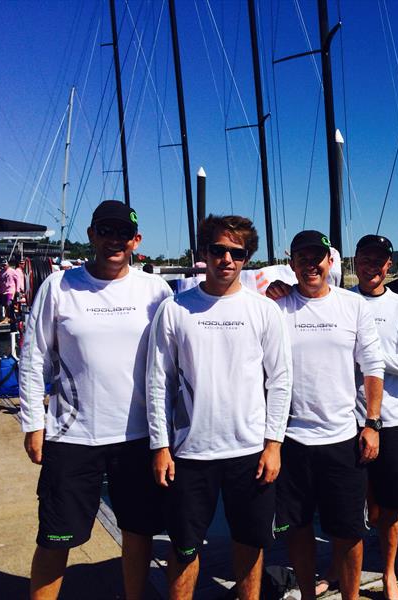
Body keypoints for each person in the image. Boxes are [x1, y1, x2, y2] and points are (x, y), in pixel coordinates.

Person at [19, 200, 172, 600]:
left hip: (138, 437)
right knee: (55, 537)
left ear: (136, 241)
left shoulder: (155, 290)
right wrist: (34, 423)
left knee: (137, 531)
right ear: (91, 235)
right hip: (72, 436)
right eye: (106, 231)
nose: (114, 240)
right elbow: (34, 357)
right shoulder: (59, 286)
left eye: (123, 233)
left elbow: (180, 352)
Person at [269, 234, 398, 599]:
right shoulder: (275, 308)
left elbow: (373, 365)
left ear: (331, 262)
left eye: (318, 257)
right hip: (291, 439)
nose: (311, 264)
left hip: (346, 435)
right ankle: (310, 593)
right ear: (291, 263)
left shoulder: (354, 307)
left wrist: (372, 424)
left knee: (351, 527)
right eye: (302, 257)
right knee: (299, 527)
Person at [147, 215, 292, 600]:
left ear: (246, 258)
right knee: (184, 546)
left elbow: (280, 380)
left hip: (251, 452)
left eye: (237, 252)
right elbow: (159, 382)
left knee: (250, 542)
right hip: (190, 452)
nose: (226, 259)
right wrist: (160, 446)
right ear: (203, 253)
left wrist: (273, 443)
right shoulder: (175, 309)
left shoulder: (264, 311)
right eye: (218, 249)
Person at [0, 259, 21, 323]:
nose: (4, 266)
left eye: (5, 265)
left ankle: (9, 318)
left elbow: (18, 280)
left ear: (8, 264)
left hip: (11, 290)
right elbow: (0, 281)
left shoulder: (12, 271)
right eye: (2, 265)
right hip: (4, 291)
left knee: (9, 303)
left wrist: (17, 290)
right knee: (5, 304)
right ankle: (8, 318)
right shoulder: (2, 272)